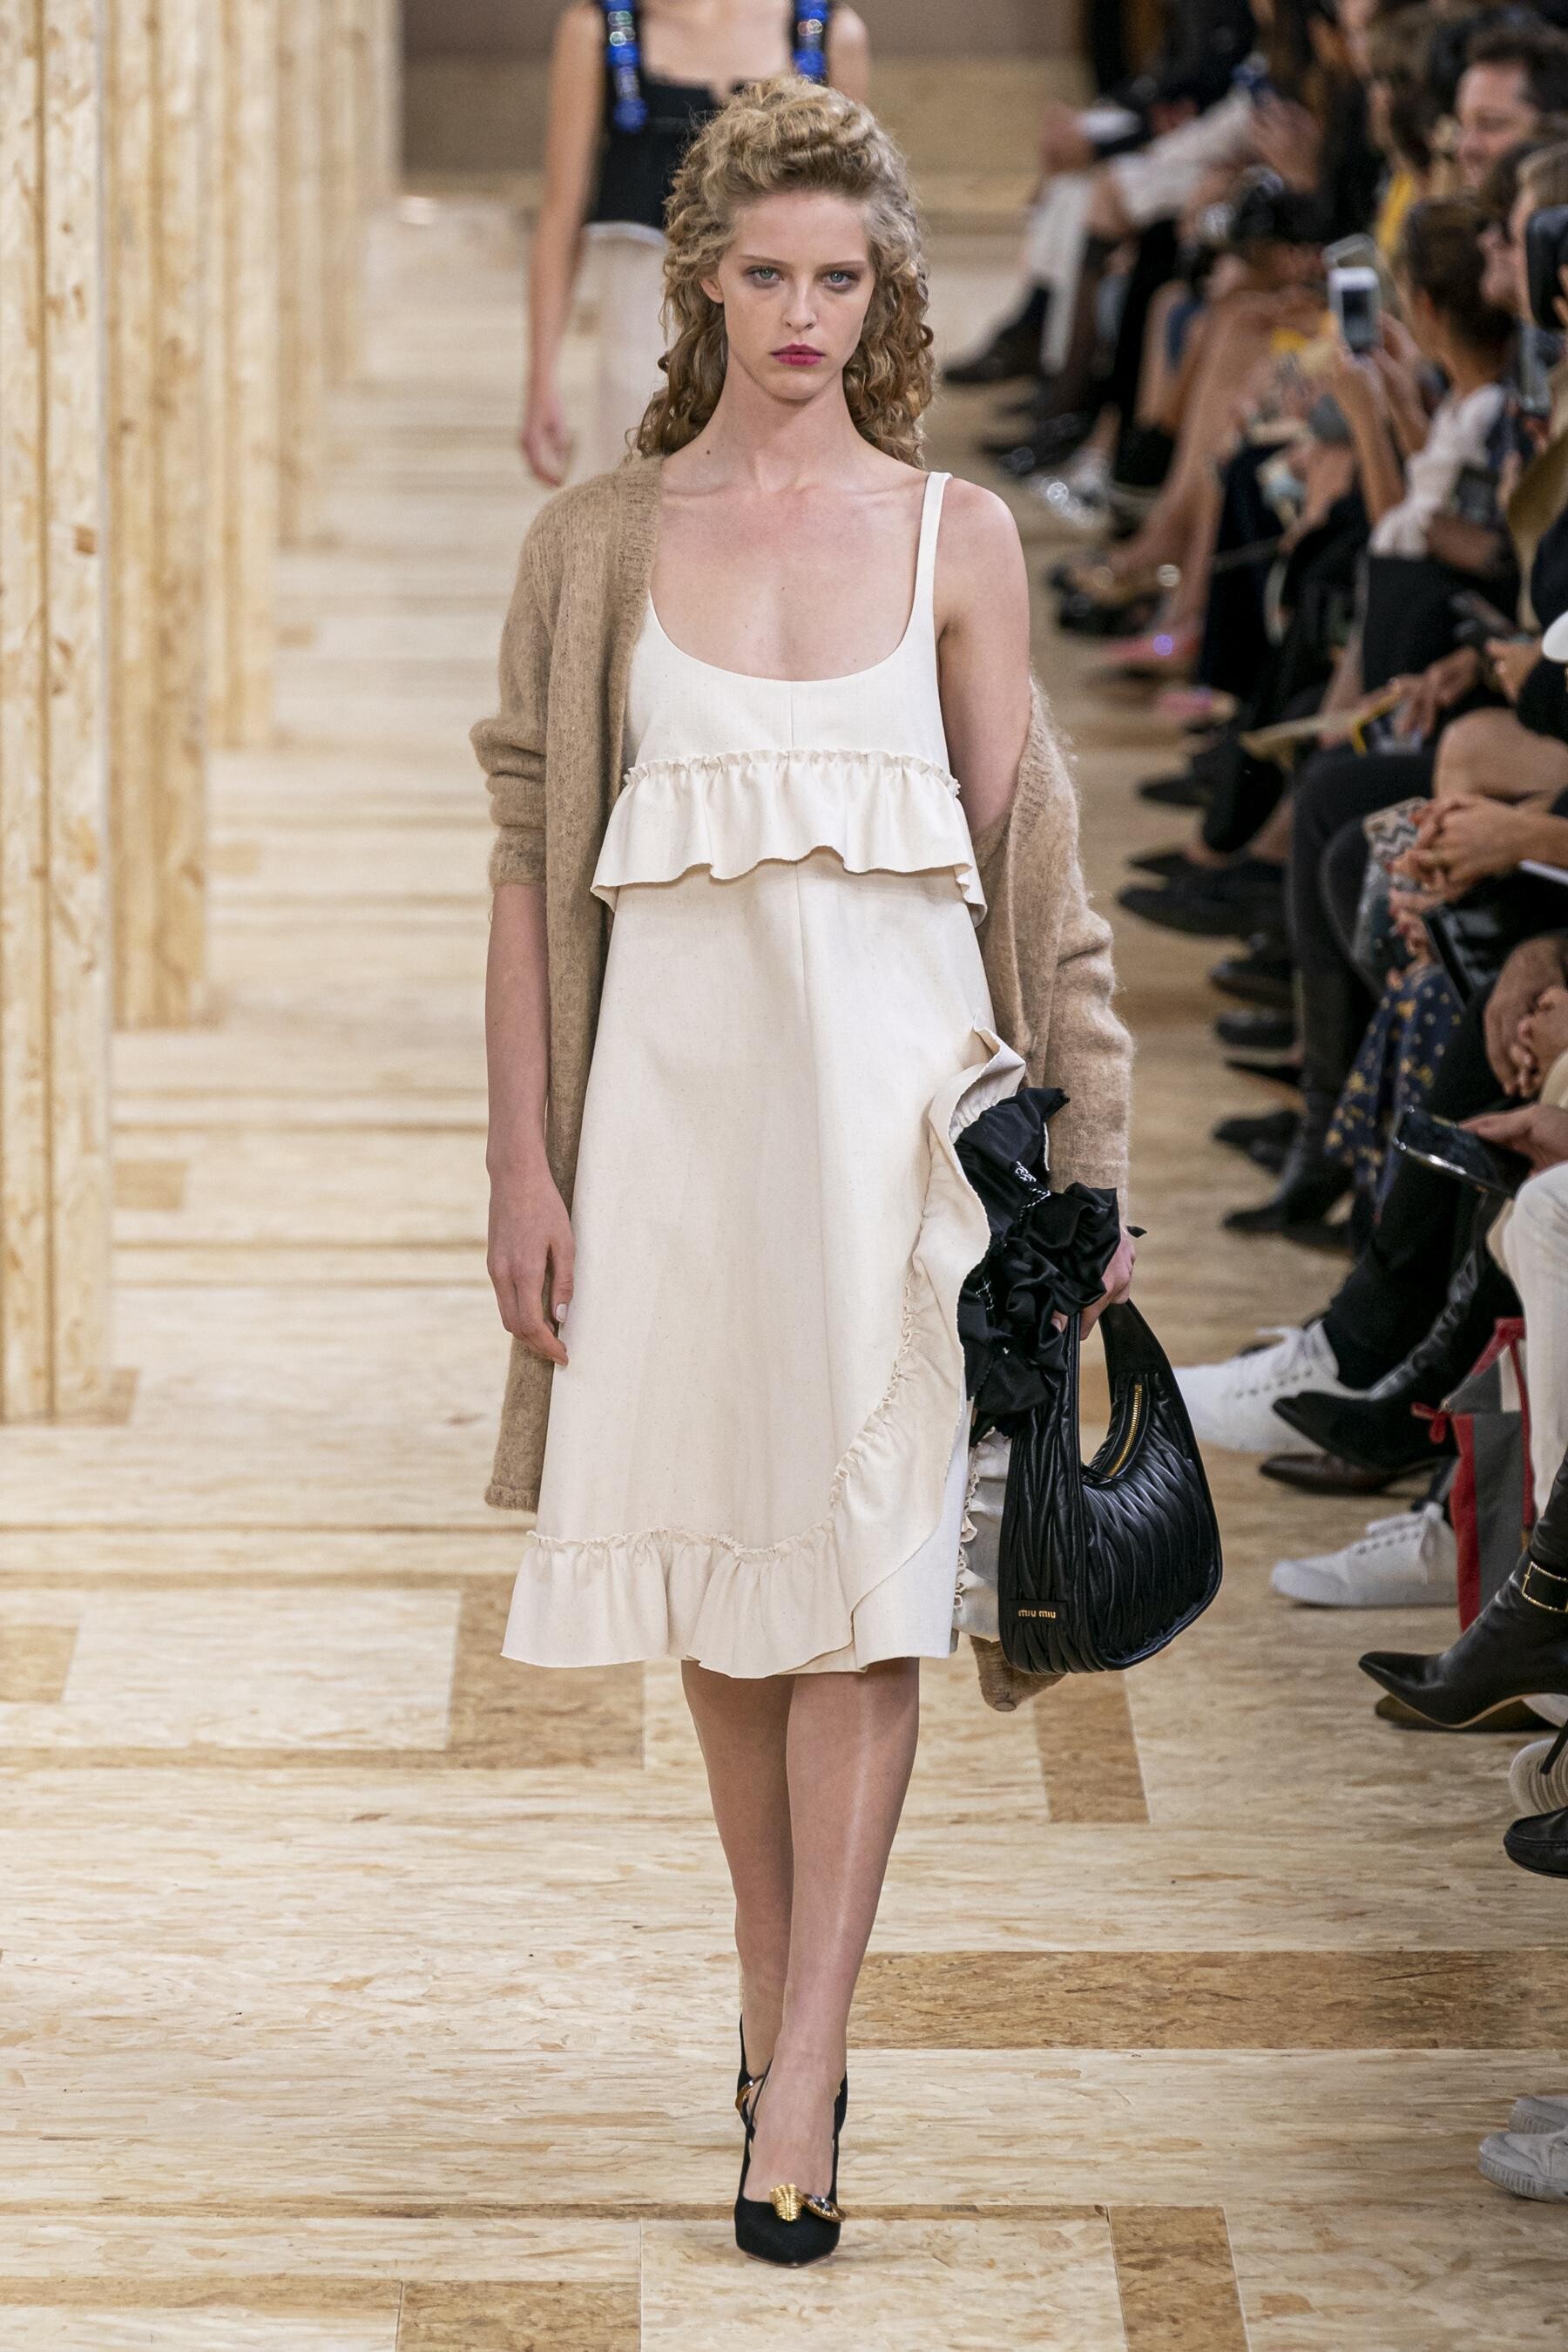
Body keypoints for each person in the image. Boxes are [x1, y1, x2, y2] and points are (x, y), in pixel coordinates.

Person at [475, 78, 1134, 2263]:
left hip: (896, 1140)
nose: (801, 314)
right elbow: (525, 872)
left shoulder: (959, 538)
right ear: (701, 279)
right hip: (668, 1128)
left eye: (838, 277)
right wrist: (522, 1166)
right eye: (764, 272)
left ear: (883, 290)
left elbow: (1035, 877)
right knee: (725, 1594)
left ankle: (808, 2062)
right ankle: (778, 2007)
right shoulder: (594, 545)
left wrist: (1092, 1155)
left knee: (862, 1587)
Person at [520, 1, 869, 483]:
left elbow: (854, 214)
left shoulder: (829, 33)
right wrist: (541, 382)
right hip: (640, 340)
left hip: (786, 330)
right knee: (636, 497)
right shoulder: (599, 28)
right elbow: (561, 214)